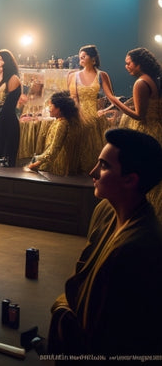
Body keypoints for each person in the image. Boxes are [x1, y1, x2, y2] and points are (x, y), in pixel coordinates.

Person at [47, 128, 162, 358]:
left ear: (130, 180)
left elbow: (115, 335)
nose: (93, 172)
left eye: (104, 166)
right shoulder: (106, 212)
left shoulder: (135, 247)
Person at [67, 44, 114, 173]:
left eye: (84, 56)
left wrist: (105, 111)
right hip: (79, 114)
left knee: (95, 148)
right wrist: (77, 115)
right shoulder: (73, 76)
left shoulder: (102, 75)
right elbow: (73, 98)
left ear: (93, 59)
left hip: (96, 116)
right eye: (80, 56)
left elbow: (111, 97)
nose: (80, 58)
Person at [27, 91, 82, 176]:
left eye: (51, 105)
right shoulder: (58, 121)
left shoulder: (62, 124)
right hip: (52, 164)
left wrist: (36, 161)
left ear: (59, 108)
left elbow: (53, 151)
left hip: (57, 169)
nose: (49, 108)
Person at [0, 49, 21, 167]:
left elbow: (8, 106)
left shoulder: (13, 78)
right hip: (1, 120)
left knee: (6, 161)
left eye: (0, 60)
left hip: (9, 121)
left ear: (7, 61)